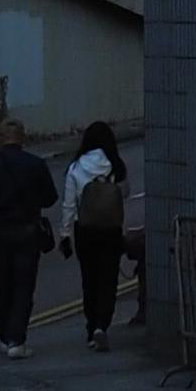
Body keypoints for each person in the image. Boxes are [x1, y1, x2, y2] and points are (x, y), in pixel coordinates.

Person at [0, 117, 59, 357]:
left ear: (1, 137)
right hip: (27, 230)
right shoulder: (36, 164)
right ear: (22, 137)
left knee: (2, 286)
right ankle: (17, 341)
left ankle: (4, 336)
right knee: (23, 286)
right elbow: (50, 198)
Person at [61, 120, 131, 344]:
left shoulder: (75, 167)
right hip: (111, 229)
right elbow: (126, 193)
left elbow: (69, 205)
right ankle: (103, 324)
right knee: (108, 279)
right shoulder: (116, 166)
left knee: (89, 279)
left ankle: (91, 328)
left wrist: (65, 235)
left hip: (85, 229)